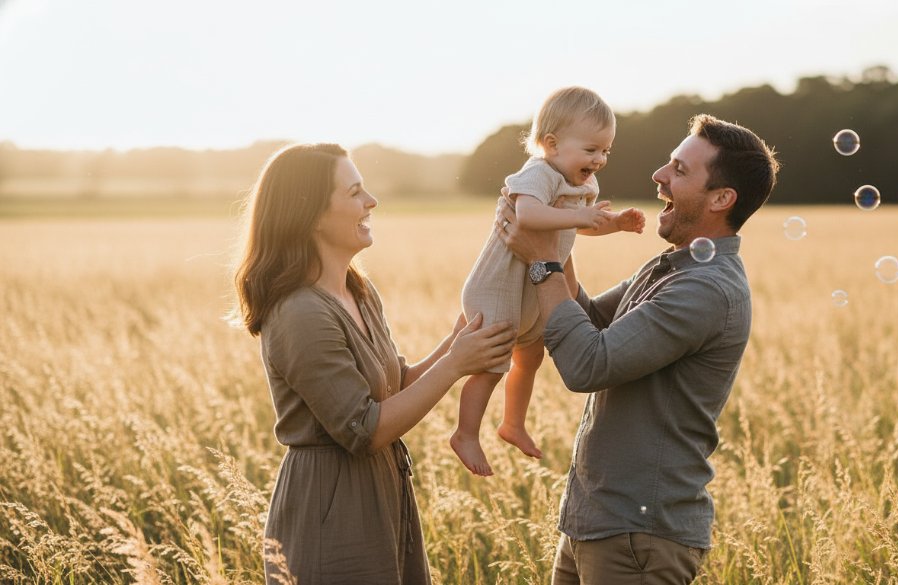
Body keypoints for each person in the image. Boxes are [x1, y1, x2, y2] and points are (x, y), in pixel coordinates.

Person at [498, 114, 780, 584]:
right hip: (598, 524)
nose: (659, 176)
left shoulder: (705, 290)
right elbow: (587, 319)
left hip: (639, 538)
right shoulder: (675, 267)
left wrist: (541, 259)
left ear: (721, 199)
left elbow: (587, 364)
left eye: (680, 170)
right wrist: (558, 241)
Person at [233, 143, 516, 584]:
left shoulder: (358, 292)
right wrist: (456, 363)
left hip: (384, 491)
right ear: (309, 213)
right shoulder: (300, 313)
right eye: (354, 193)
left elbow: (395, 386)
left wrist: (457, 339)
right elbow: (364, 429)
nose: (371, 202)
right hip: (330, 508)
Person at [451, 87, 645, 476]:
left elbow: (576, 230)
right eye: (591, 149)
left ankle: (513, 424)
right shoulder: (537, 173)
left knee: (531, 356)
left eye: (606, 150)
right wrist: (579, 218)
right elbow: (529, 217)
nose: (600, 160)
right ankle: (466, 433)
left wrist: (614, 225)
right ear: (552, 144)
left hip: (529, 287)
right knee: (492, 363)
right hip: (497, 284)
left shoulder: (583, 184)